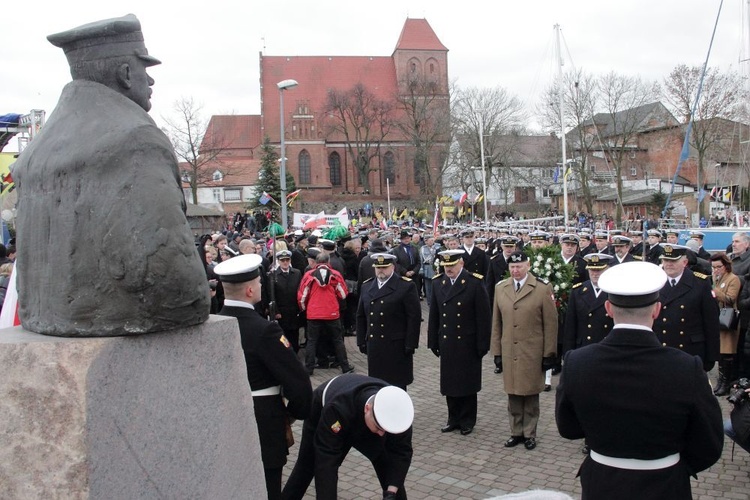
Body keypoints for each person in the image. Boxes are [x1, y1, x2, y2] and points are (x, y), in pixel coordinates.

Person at [12, 14, 210, 336]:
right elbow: (178, 285)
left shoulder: (36, 151)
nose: (152, 81)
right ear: (126, 74)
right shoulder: (135, 139)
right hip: (117, 329)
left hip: (43, 321)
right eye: (146, 68)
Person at [556, 261, 724, 500]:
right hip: (665, 483)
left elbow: (569, 428)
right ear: (657, 309)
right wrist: (673, 463)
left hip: (603, 481)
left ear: (608, 309)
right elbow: (710, 443)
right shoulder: (687, 367)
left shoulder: (577, 362)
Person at [214, 253, 312, 500]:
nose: (260, 286)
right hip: (263, 420)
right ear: (249, 291)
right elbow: (298, 384)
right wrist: (293, 412)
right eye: (258, 283)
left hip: (222, 420)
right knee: (267, 488)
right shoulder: (265, 330)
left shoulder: (212, 326)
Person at [282, 374, 414, 500]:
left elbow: (401, 454)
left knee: (388, 468)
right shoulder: (338, 408)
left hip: (361, 418)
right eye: (379, 428)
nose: (381, 434)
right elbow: (326, 463)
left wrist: (391, 492)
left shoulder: (400, 415)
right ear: (367, 409)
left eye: (386, 430)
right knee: (307, 466)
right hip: (326, 414)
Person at [491, 251, 558, 450]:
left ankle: (529, 433)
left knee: (529, 394)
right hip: (510, 350)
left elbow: (551, 324)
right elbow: (497, 323)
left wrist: (549, 354)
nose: (515, 270)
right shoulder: (501, 288)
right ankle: (516, 432)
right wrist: (497, 351)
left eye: (519, 266)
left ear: (528, 266)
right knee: (512, 393)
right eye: (512, 267)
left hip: (532, 351)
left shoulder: (542, 288)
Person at [428, 249, 491, 436]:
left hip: (467, 342)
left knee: (467, 383)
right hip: (447, 341)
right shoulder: (438, 283)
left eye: (452, 265)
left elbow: (483, 317)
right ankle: (453, 418)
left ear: (461, 263)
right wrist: (433, 341)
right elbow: (434, 315)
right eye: (446, 265)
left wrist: (483, 344)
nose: (448, 269)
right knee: (450, 383)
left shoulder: (474, 283)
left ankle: (467, 419)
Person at [356, 253, 421, 390]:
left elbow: (413, 317)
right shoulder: (367, 286)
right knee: (377, 385)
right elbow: (361, 315)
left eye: (384, 267)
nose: (381, 270)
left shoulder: (405, 286)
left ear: (393, 267)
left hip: (396, 346)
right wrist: (361, 340)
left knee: (396, 386)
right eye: (378, 267)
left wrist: (411, 343)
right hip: (375, 345)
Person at [655, 244, 720, 371]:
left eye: (673, 260)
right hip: (661, 349)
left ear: (684, 262)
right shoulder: (655, 282)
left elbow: (711, 322)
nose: (669, 264)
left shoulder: (700, 283)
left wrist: (711, 356)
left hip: (690, 350)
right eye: (666, 260)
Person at [298, 252, 354, 375]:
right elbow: (343, 294)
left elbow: (302, 296)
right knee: (337, 340)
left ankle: (309, 368)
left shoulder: (309, 275)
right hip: (331, 312)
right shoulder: (335, 274)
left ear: (316, 262)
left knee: (312, 341)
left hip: (313, 313)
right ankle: (345, 366)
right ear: (328, 261)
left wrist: (304, 309)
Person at [710, 253, 742, 396]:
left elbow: (730, 298)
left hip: (729, 319)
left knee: (727, 352)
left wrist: (716, 291)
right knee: (721, 354)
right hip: (719, 318)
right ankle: (721, 382)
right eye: (714, 267)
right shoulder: (717, 278)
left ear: (726, 266)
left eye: (719, 267)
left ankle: (726, 383)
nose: (716, 270)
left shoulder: (733, 279)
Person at [270, 250, 304, 352]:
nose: (285, 262)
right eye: (282, 260)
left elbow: (300, 291)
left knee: (294, 334)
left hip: (294, 310)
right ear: (278, 261)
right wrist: (276, 311)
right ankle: (285, 353)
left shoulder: (297, 273)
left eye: (287, 260)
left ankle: (295, 353)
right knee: (283, 335)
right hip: (282, 311)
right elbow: (272, 295)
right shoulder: (274, 275)